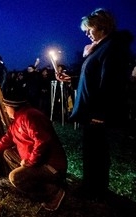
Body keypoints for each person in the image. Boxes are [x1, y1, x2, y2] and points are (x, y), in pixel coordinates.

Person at [56, 8, 133, 200]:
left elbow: (111, 84)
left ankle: (97, 189)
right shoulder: (102, 47)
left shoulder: (113, 48)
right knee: (91, 148)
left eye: (89, 29)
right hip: (92, 109)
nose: (86, 33)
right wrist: (71, 79)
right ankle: (91, 185)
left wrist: (100, 113)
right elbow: (91, 78)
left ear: (102, 27)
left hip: (97, 111)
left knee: (97, 151)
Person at [0, 91, 68, 211]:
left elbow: (42, 141)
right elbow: (5, 140)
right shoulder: (18, 120)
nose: (4, 110)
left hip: (52, 166)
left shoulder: (30, 116)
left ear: (12, 106)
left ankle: (54, 193)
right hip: (38, 162)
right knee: (8, 153)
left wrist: (31, 162)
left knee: (15, 177)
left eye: (6, 107)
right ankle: (40, 183)